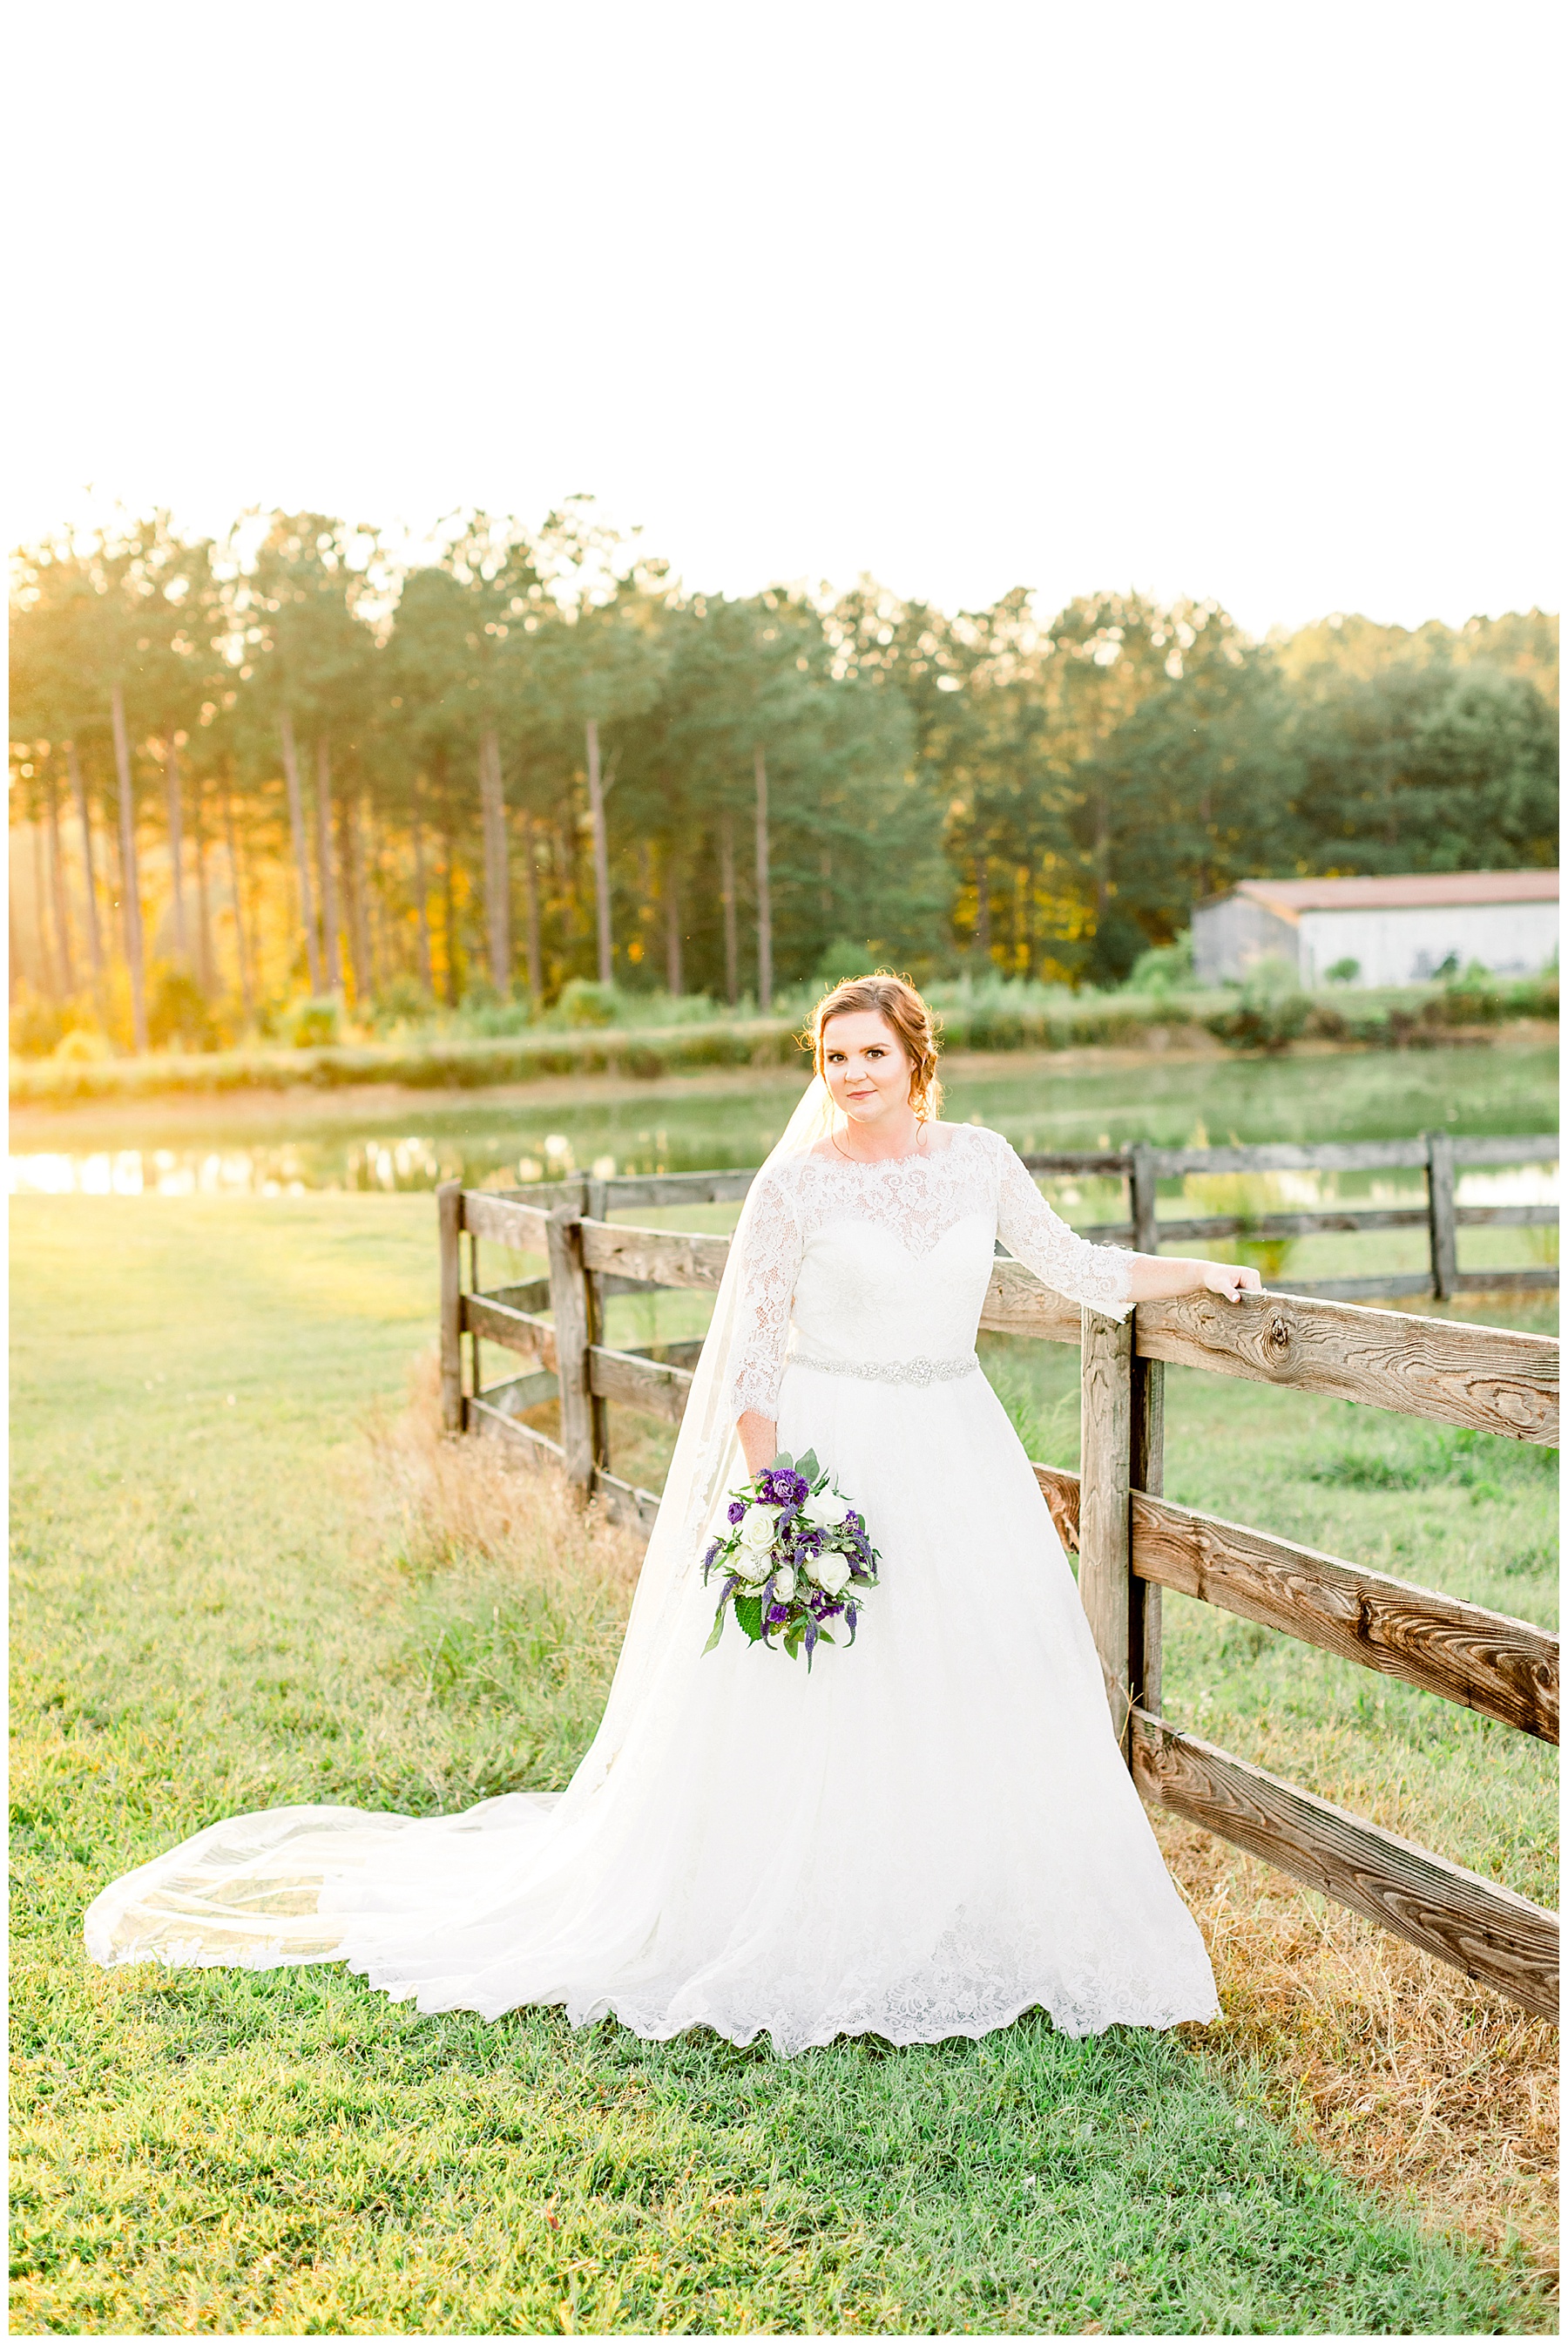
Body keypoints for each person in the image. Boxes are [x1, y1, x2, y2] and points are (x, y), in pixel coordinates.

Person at [85, 973, 1260, 2051]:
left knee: (973, 1666)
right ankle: (818, 1904)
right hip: (831, 1449)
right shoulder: (794, 1184)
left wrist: (1203, 1274)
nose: (848, 1075)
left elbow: (1079, 1264)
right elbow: (752, 1355)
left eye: (867, 1053)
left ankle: (969, 1896)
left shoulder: (981, 1160)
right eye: (829, 1057)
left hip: (955, 1442)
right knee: (824, 1689)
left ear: (916, 1057)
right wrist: (778, 1496)